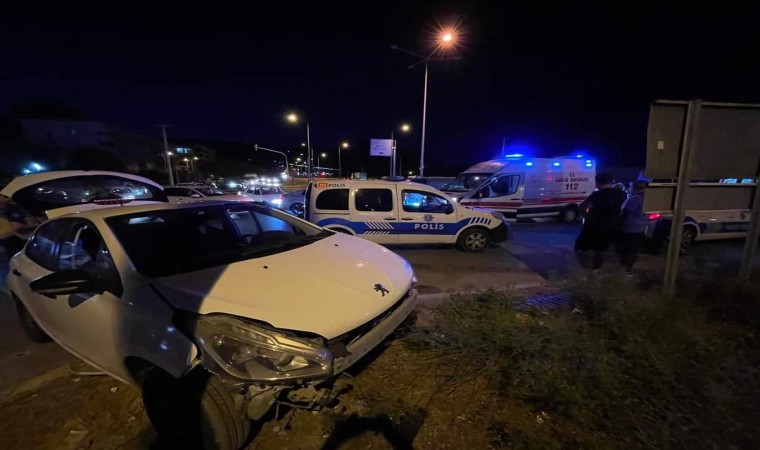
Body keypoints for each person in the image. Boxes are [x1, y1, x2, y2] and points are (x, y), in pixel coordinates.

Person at [574, 173, 628, 270]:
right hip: (616, 225)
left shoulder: (597, 195)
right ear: (612, 181)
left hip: (597, 226)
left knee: (590, 248)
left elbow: (583, 207)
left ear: (597, 182)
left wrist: (588, 217)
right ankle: (620, 268)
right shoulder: (621, 194)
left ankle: (594, 268)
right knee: (612, 247)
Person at [617, 180, 649, 275]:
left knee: (626, 247)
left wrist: (619, 222)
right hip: (641, 228)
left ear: (635, 188)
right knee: (635, 249)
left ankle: (625, 266)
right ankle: (628, 267)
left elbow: (625, 213)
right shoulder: (648, 200)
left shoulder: (633, 199)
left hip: (629, 227)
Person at [0, 195, 39, 263]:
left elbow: (28, 219)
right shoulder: (7, 210)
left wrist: (30, 221)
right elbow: (15, 227)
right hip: (11, 241)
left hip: (26, 238)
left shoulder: (14, 206)